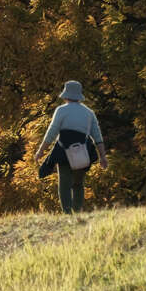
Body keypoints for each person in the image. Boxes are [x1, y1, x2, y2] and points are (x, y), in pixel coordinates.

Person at [34, 80, 107, 213]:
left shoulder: (61, 110)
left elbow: (51, 133)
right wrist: (103, 157)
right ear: (79, 96)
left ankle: (67, 214)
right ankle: (77, 212)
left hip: (63, 152)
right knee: (78, 184)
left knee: (64, 186)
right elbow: (98, 137)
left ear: (66, 95)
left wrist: (41, 151)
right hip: (82, 153)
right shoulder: (89, 113)